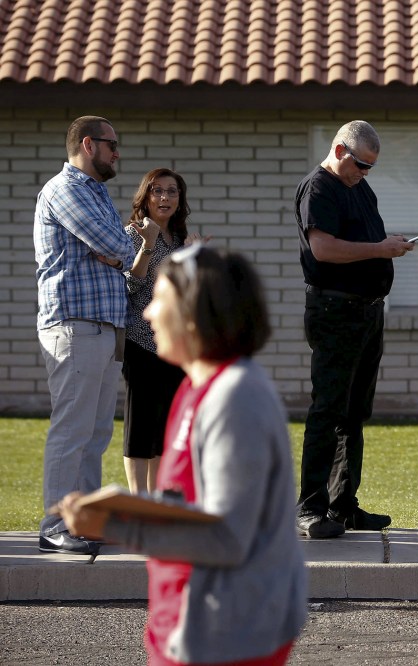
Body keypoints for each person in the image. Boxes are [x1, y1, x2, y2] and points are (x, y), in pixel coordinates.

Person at [54, 245, 308, 665]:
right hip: (191, 623)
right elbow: (188, 504)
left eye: (160, 300)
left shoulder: (236, 397)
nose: (148, 314)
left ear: (194, 314)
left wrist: (118, 524)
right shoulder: (195, 387)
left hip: (229, 635)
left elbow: (228, 538)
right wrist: (123, 504)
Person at [34, 115, 158, 555]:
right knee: (72, 429)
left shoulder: (97, 193)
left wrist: (116, 251)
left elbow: (119, 248)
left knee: (95, 431)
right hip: (74, 325)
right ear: (89, 145)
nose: (117, 153)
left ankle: (80, 519)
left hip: (105, 327)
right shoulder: (65, 189)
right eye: (112, 145)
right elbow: (125, 247)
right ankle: (55, 523)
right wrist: (117, 250)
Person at [294, 120, 414, 538]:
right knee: (327, 410)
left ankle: (344, 505)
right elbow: (323, 249)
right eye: (361, 164)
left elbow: (365, 242)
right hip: (335, 311)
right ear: (340, 151)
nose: (365, 173)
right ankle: (310, 508)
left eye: (371, 167)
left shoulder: (358, 188)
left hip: (366, 312)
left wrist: (388, 244)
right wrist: (380, 250)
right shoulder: (320, 188)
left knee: (354, 414)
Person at [121, 168, 204, 494]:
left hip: (174, 345)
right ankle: (137, 499)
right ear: (146, 196)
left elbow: (189, 292)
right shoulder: (132, 234)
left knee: (164, 427)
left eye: (172, 191)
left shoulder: (181, 239)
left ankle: (157, 500)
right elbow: (131, 283)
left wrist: (196, 256)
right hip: (140, 341)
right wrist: (148, 244)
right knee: (140, 425)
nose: (165, 198)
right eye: (157, 191)